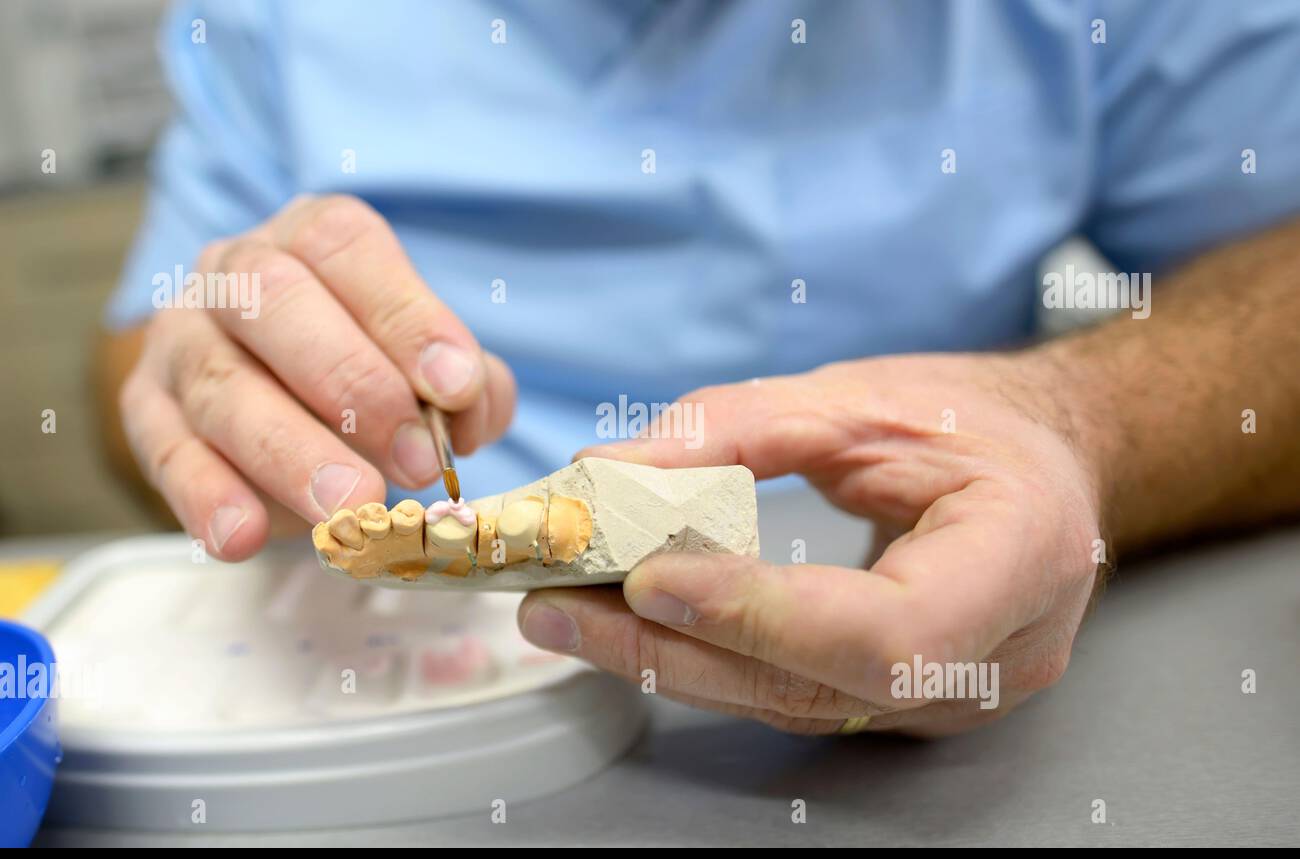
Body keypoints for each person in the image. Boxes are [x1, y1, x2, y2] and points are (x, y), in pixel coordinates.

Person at [99, 1, 1300, 736]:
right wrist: (198, 379)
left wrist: (1084, 421)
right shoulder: (276, 20)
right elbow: (146, 348)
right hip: (360, 695)